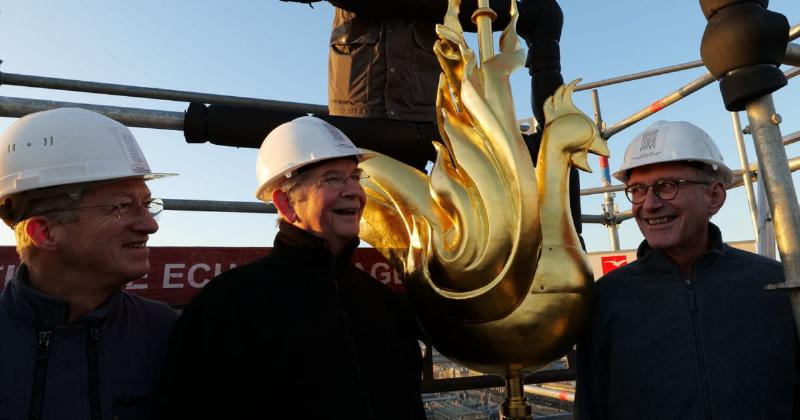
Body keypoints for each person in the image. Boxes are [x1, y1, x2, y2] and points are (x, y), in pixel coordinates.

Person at [157, 116, 425, 419]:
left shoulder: (382, 301)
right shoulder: (229, 306)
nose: (355, 191)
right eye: (333, 178)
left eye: (355, 176)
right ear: (285, 203)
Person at [575, 120, 800, 419]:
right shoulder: (608, 297)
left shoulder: (775, 284)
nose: (649, 204)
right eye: (638, 190)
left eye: (666, 186)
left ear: (715, 197)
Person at [0, 107, 177, 420]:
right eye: (122, 206)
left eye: (147, 205)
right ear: (44, 232)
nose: (150, 225)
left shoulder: (165, 332)